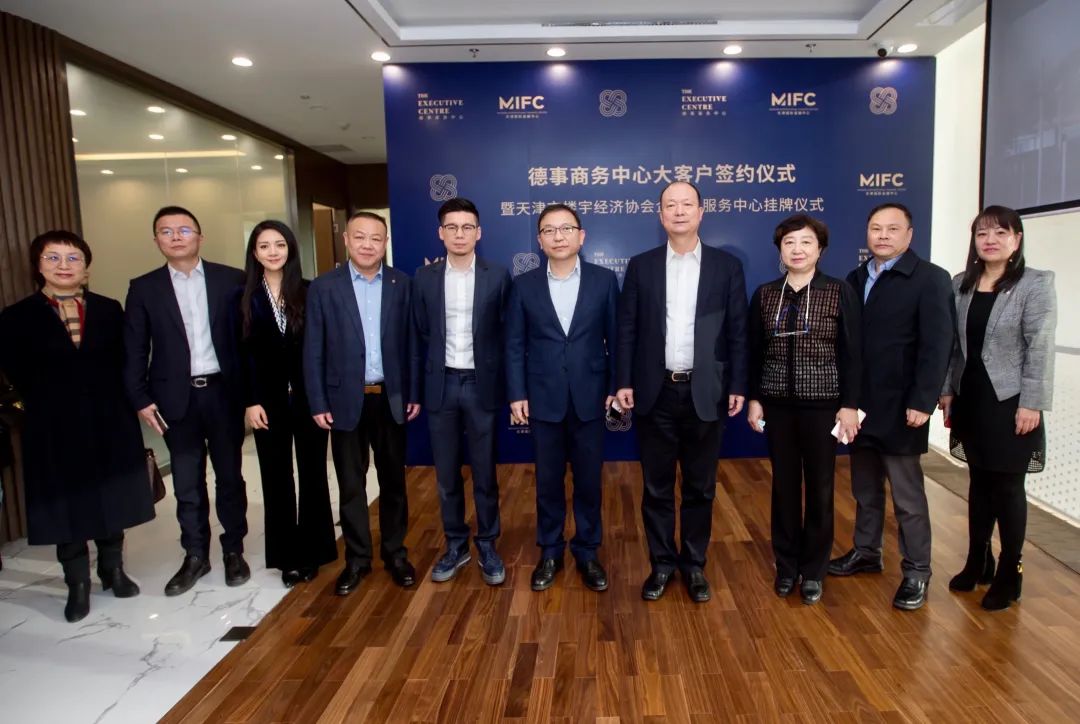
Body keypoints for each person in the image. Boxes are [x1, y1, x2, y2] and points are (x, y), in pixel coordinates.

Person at [0, 230, 154, 622]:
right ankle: (77, 583)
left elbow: (126, 361)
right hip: (52, 426)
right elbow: (14, 374)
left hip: (109, 419)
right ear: (38, 266)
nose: (64, 266)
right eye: (53, 258)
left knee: (112, 498)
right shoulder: (16, 317)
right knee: (65, 506)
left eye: (73, 258)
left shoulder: (108, 309)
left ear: (86, 267)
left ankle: (113, 570)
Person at [615, 180, 749, 603]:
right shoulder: (642, 266)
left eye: (686, 204)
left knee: (700, 487)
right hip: (655, 391)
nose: (678, 211)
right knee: (656, 487)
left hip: (706, 391)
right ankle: (661, 565)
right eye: (670, 205)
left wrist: (738, 384)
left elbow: (738, 331)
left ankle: (693, 566)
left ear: (701, 212)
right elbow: (626, 329)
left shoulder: (726, 267)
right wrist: (623, 381)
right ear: (660, 215)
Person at [828, 202, 953, 611]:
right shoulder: (855, 278)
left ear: (909, 235)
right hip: (860, 407)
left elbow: (938, 345)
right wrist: (847, 402)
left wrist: (923, 400)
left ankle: (917, 571)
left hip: (903, 407)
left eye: (892, 228)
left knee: (907, 498)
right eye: (876, 228)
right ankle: (867, 551)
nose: (883, 235)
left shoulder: (930, 279)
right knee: (864, 488)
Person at [124, 206, 249, 597]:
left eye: (183, 230)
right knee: (186, 481)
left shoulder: (232, 279)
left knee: (230, 477)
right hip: (175, 399)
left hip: (223, 393)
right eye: (166, 231)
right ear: (156, 240)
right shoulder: (145, 288)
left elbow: (248, 340)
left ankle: (234, 550)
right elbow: (134, 349)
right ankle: (195, 554)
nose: (175, 237)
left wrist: (251, 394)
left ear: (200, 236)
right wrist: (140, 398)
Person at [939, 206, 1055, 611]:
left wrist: (1032, 403)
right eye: (982, 233)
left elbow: (1039, 347)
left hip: (1011, 403)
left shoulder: (1034, 283)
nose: (990, 240)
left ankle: (1010, 571)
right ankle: (978, 561)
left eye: (1000, 233)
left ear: (1016, 240)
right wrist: (947, 389)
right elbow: (953, 345)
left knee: (1007, 487)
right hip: (970, 398)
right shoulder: (961, 284)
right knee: (979, 482)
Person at [746, 214, 861, 605]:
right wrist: (755, 397)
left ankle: (813, 570)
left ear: (820, 249)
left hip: (823, 405)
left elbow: (852, 353)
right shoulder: (765, 294)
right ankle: (786, 566)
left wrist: (849, 405)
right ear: (780, 249)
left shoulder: (838, 291)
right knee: (783, 486)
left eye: (806, 242)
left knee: (821, 487)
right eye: (789, 242)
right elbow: (755, 351)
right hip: (777, 404)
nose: (797, 249)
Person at [304, 210, 421, 596]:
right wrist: (318, 400)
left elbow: (412, 344)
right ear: (346, 240)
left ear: (385, 243)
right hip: (344, 400)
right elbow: (313, 350)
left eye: (375, 238)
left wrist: (413, 392)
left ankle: (395, 554)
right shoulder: (324, 287)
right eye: (360, 237)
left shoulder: (402, 284)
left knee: (393, 482)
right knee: (351, 484)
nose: (368, 245)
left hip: (390, 398)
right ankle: (356, 559)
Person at [506, 203, 619, 593]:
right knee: (548, 483)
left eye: (566, 229)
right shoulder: (524, 285)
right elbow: (514, 344)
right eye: (549, 230)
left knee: (589, 482)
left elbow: (617, 339)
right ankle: (550, 551)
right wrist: (517, 393)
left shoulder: (604, 281)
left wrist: (615, 388)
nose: (558, 236)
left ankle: (587, 551)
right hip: (543, 398)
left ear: (581, 236)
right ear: (539, 241)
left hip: (591, 397)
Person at [413, 198, 511, 585]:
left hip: (480, 384)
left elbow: (506, 332)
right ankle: (456, 544)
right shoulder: (424, 278)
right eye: (451, 227)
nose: (459, 234)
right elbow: (421, 331)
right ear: (440, 233)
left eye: (467, 227)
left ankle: (487, 543)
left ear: (478, 233)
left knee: (485, 472)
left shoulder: (497, 276)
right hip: (441, 385)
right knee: (446, 474)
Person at [239, 220, 337, 588]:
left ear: (291, 249)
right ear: (255, 253)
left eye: (280, 244)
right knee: (276, 478)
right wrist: (250, 401)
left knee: (313, 475)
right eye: (265, 246)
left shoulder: (310, 291)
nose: (273, 252)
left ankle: (313, 552)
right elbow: (242, 355)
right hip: (268, 403)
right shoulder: (244, 297)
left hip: (310, 399)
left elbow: (324, 349)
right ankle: (286, 557)